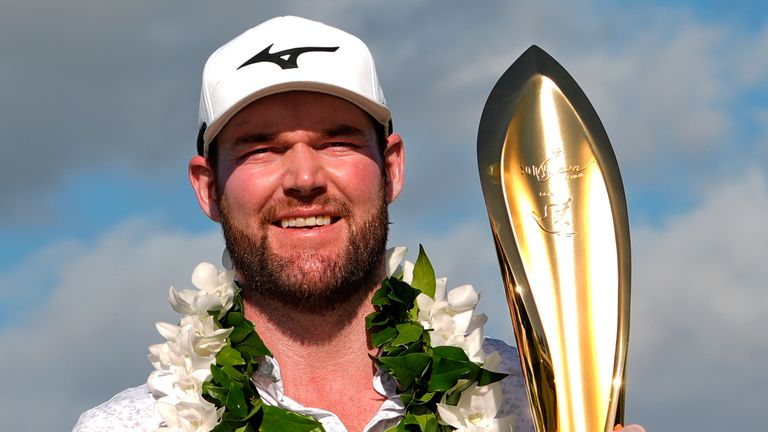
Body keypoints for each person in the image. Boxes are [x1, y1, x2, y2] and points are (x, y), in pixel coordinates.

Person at [72, 16, 645, 432]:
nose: (303, 177)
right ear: (207, 186)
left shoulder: (523, 404)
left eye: (337, 141)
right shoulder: (130, 428)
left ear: (391, 168)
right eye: (262, 149)